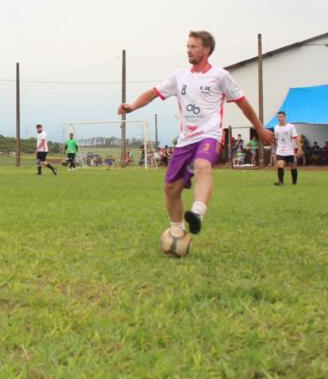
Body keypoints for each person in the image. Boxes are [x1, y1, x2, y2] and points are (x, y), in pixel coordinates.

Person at [117, 30, 274, 236]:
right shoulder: (179, 76)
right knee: (171, 189)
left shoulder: (220, 76)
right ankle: (177, 232)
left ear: (206, 50)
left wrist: (260, 128)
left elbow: (244, 105)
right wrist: (133, 106)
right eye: (188, 47)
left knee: (202, 165)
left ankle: (197, 213)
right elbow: (154, 93)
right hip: (185, 141)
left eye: (193, 47)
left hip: (210, 135)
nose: (188, 50)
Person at [273, 111, 302, 186]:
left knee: (292, 166)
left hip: (289, 150)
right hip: (280, 150)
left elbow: (296, 138)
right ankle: (281, 182)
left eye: (281, 117)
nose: (279, 118)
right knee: (280, 164)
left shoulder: (291, 126)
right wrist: (275, 150)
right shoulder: (276, 127)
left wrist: (299, 149)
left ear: (285, 117)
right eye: (278, 117)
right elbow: (276, 139)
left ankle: (294, 182)